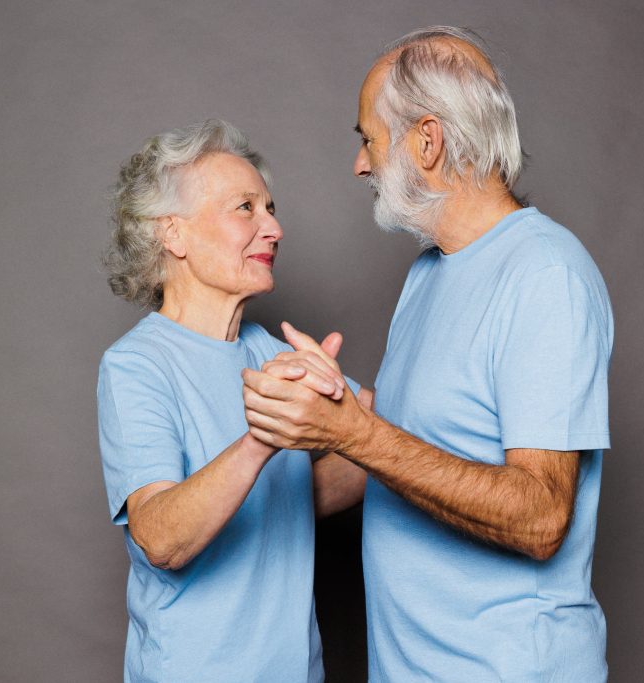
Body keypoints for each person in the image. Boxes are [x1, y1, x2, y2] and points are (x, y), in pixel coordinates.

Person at [242, 27, 614, 681]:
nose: (360, 164)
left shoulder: (545, 273)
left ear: (427, 140)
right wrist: (233, 497)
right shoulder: (428, 275)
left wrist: (355, 430)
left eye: (368, 138)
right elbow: (391, 451)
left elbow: (541, 514)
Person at [96, 119, 366, 682]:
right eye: (245, 207)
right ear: (173, 235)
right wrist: (262, 438)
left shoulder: (271, 353)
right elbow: (161, 538)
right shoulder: (136, 365)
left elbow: (315, 487)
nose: (274, 228)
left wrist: (364, 426)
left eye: (270, 208)